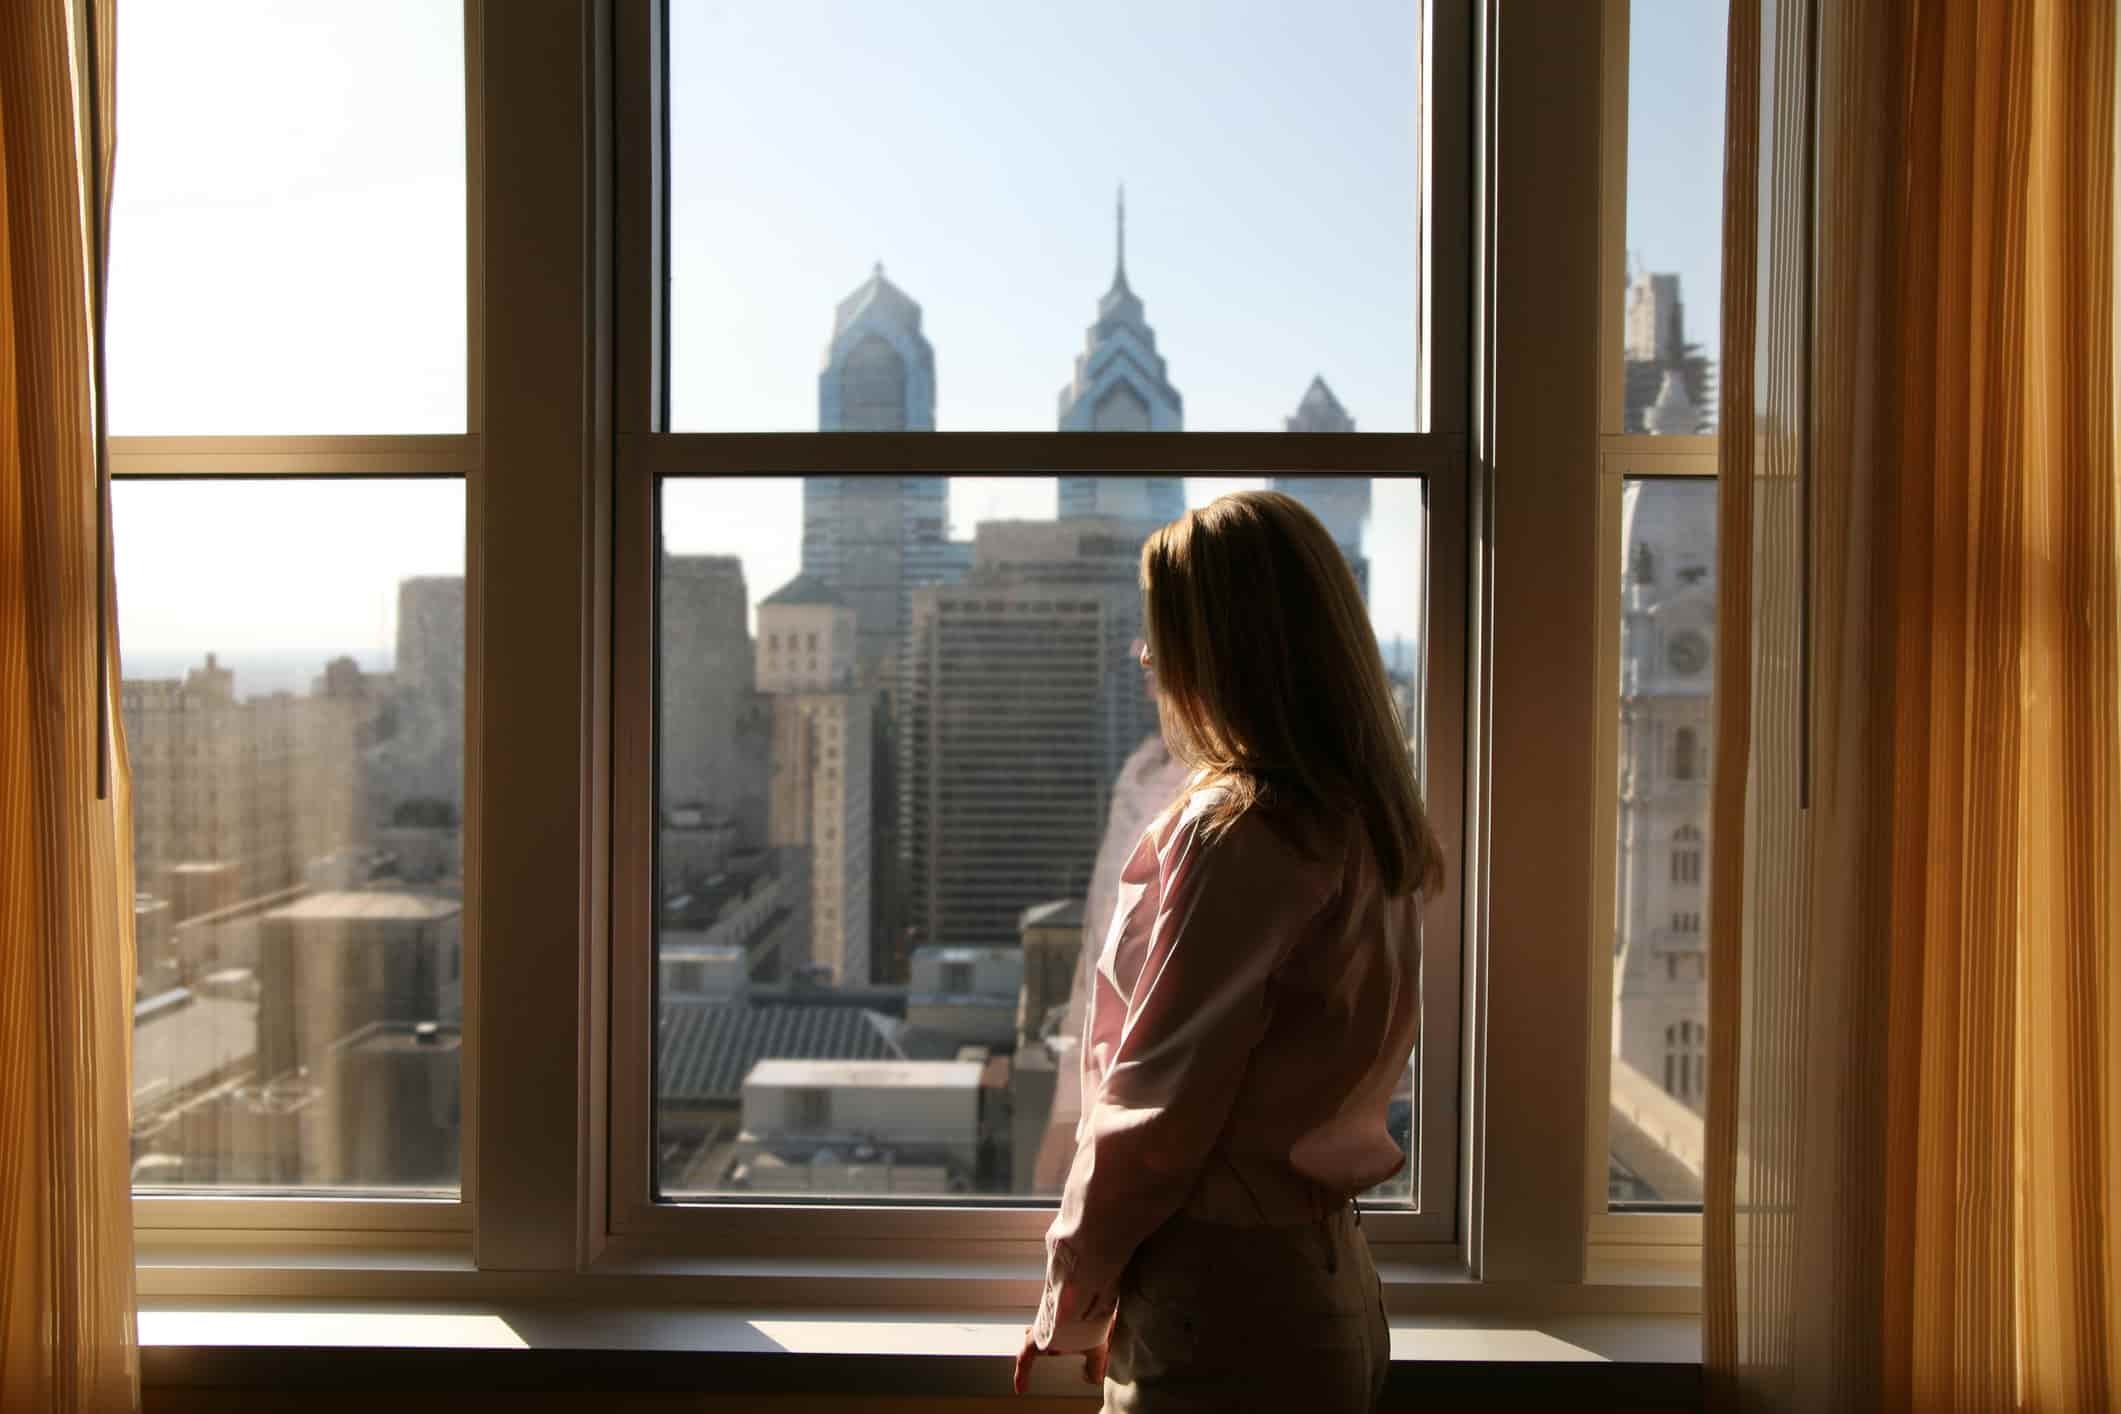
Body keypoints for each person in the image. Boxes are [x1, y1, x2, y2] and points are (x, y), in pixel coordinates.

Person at [1013, 490, 1444, 1411]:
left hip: (1226, 1298)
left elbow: (1156, 1103)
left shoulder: (1239, 830)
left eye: (1166, 631)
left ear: (1227, 648)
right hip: (1325, 1280)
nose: (1145, 656)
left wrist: (1076, 1298)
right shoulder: (1367, 819)